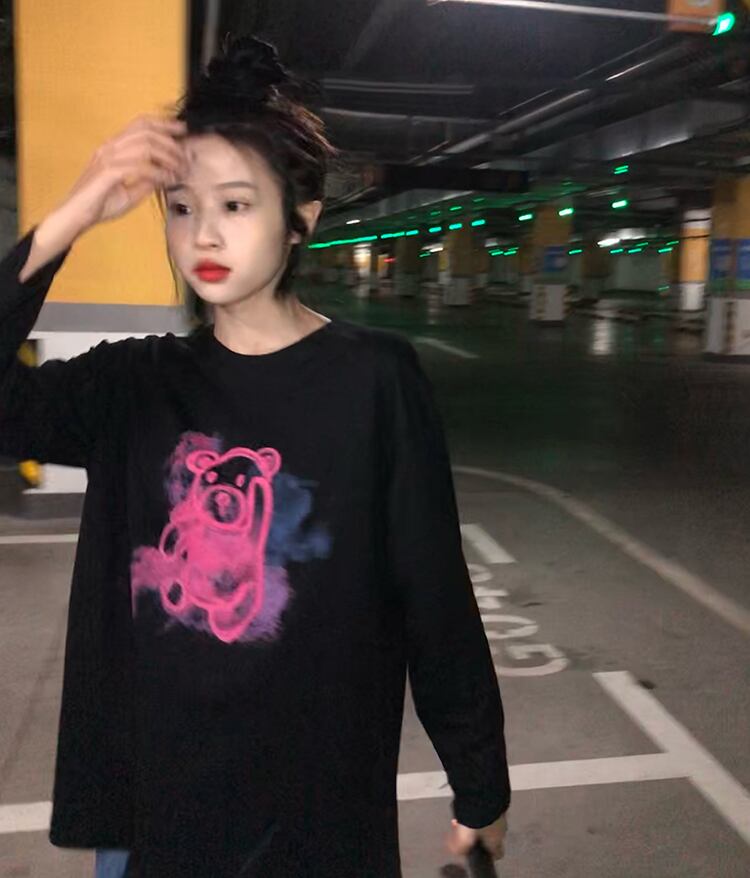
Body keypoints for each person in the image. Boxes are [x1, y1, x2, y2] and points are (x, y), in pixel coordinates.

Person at [1, 34, 511, 878]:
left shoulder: (375, 381)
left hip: (318, 813)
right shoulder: (132, 385)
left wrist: (479, 782)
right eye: (179, 207)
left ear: (301, 217)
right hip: (155, 818)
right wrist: (71, 215)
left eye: (236, 205)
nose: (203, 232)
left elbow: (433, 593)